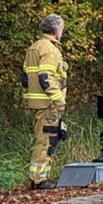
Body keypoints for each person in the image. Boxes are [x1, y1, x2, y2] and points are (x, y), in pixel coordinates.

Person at [22, 14, 68, 190]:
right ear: (56, 31)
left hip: (35, 103)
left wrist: (28, 96)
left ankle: (38, 176)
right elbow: (45, 76)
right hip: (48, 104)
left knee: (41, 139)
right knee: (47, 142)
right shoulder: (50, 50)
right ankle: (40, 179)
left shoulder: (33, 48)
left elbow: (25, 78)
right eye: (62, 30)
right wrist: (58, 100)